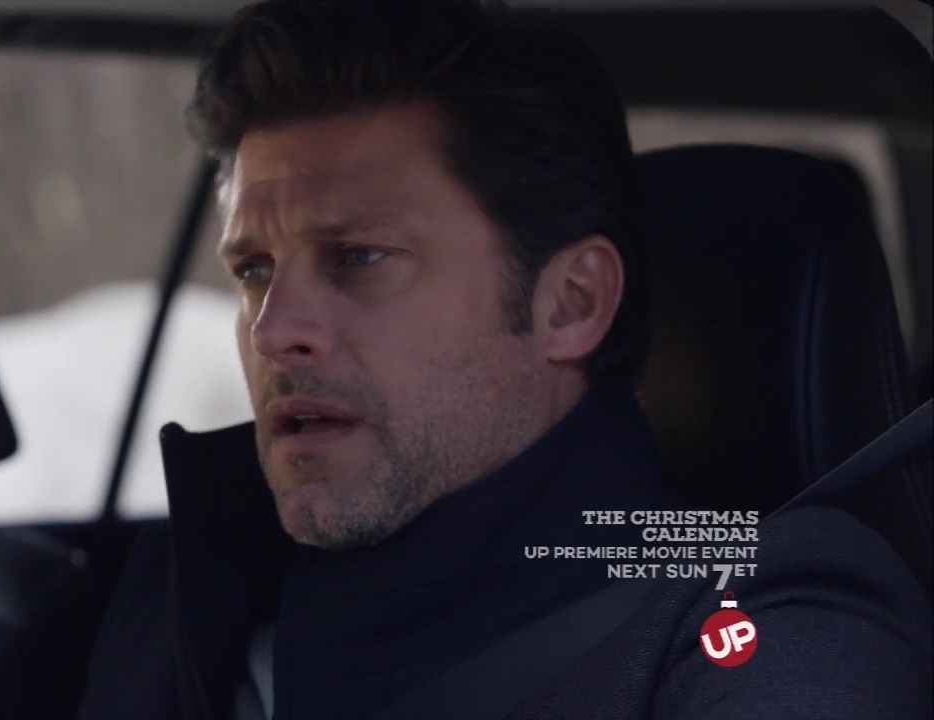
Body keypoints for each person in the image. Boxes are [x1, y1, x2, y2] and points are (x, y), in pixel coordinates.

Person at [78, 1, 932, 718]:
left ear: (570, 304)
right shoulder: (186, 590)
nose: (273, 331)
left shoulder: (751, 608)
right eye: (254, 270)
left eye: (359, 257)